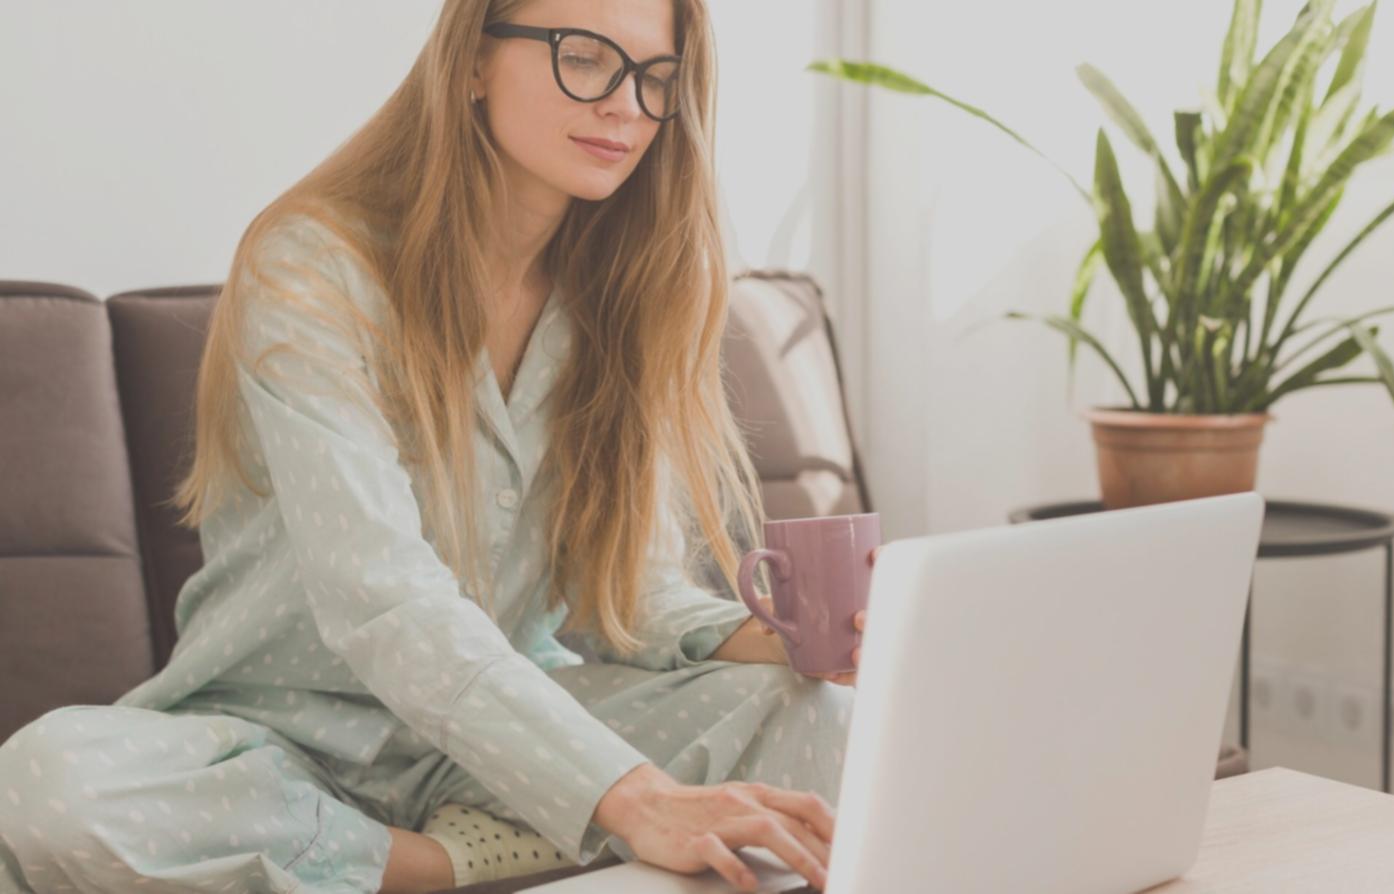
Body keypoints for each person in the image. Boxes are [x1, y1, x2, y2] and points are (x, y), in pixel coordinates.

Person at [0, 1, 872, 892]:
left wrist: (798, 644)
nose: (626, 105)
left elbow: (633, 598)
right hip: (286, 745)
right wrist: (637, 800)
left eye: (656, 77)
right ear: (471, 64)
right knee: (47, 786)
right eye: (585, 56)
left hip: (513, 744)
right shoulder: (314, 267)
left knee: (822, 718)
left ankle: (515, 835)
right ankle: (431, 866)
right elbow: (385, 603)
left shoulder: (624, 292)